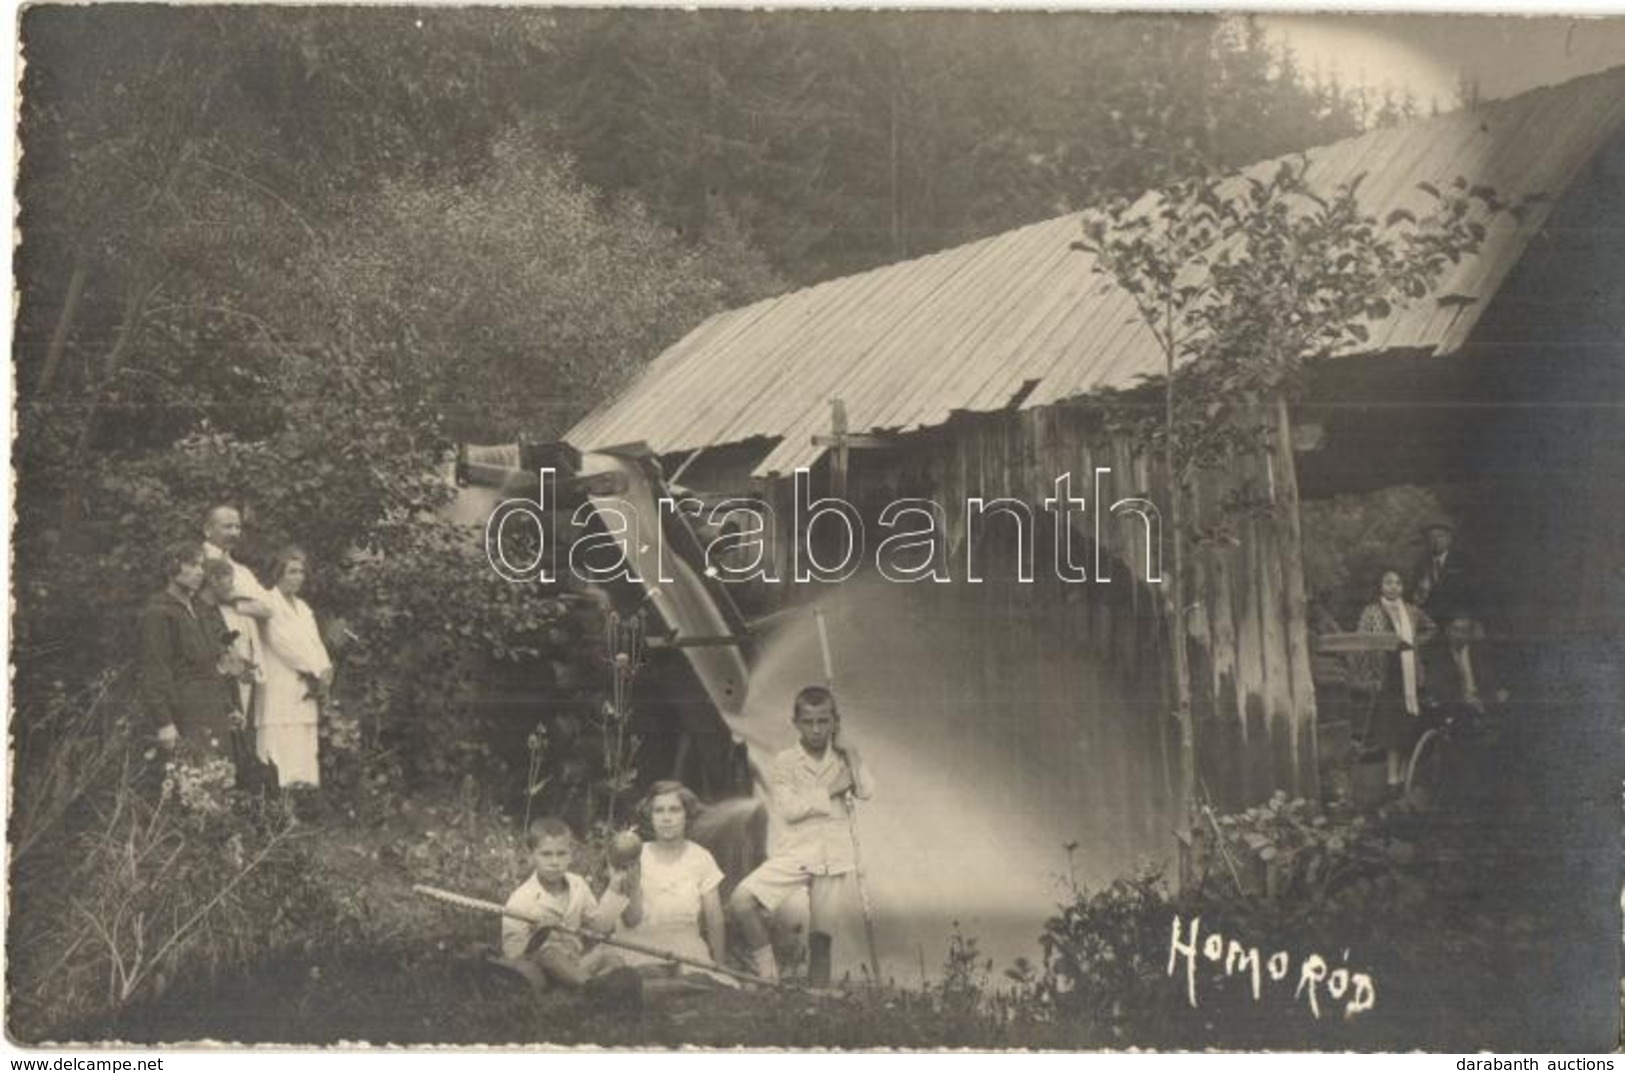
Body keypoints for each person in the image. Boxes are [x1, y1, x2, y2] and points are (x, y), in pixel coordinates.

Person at [727, 685, 873, 987]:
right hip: (796, 851)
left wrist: (854, 755)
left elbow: (867, 792)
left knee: (821, 936)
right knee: (742, 900)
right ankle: (769, 977)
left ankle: (816, 999)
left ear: (835, 721)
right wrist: (832, 789)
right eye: (809, 722)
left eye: (824, 721)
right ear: (796, 723)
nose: (817, 729)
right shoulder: (786, 761)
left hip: (834, 856)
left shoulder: (844, 757)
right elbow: (789, 809)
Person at [499, 817, 641, 1004]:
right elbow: (513, 954)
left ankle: (591, 993)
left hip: (576, 965)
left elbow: (599, 928)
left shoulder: (578, 885)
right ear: (532, 855)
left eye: (561, 854)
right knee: (549, 953)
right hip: (543, 971)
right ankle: (594, 990)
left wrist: (614, 887)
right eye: (546, 854)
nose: (554, 862)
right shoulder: (521, 899)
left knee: (608, 954)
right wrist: (540, 935)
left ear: (571, 855)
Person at [613, 781, 737, 987]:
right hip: (641, 943)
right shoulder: (636, 855)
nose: (666, 818)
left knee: (698, 978)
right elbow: (629, 919)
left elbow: (714, 917)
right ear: (650, 817)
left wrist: (719, 963)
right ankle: (659, 983)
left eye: (674, 810)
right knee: (642, 973)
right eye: (658, 811)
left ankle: (672, 984)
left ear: (686, 815)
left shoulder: (701, 857)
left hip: (685, 945)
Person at [136, 542, 241, 754]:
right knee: (194, 779)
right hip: (184, 712)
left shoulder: (198, 611)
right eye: (192, 565)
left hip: (212, 710)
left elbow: (209, 665)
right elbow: (156, 670)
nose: (199, 572)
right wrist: (164, 722)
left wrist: (227, 707)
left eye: (201, 566)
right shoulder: (158, 613)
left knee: (221, 778)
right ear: (171, 568)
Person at [1350, 570, 1437, 794]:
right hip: (1386, 677)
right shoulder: (1371, 612)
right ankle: (1391, 780)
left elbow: (1432, 628)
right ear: (1380, 586)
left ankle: (1406, 778)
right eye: (1388, 582)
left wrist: (1415, 643)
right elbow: (1361, 643)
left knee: (1408, 728)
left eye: (1398, 583)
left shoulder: (1411, 611)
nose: (1393, 587)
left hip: (1409, 677)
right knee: (1390, 731)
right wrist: (1368, 673)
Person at [257, 546, 332, 788]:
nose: (298, 577)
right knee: (281, 745)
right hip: (280, 686)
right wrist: (316, 669)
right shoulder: (268, 603)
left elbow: (315, 642)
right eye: (292, 572)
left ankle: (303, 804)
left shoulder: (303, 608)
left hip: (305, 688)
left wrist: (326, 668)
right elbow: (283, 645)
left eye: (301, 572)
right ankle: (282, 810)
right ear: (278, 573)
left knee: (304, 746)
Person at [201, 505, 272, 714]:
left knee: (239, 721)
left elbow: (268, 609)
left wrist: (233, 600)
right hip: (212, 649)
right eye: (227, 527)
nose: (234, 533)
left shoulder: (242, 571)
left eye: (237, 527)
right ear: (207, 530)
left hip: (244, 651)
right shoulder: (197, 561)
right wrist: (251, 601)